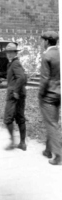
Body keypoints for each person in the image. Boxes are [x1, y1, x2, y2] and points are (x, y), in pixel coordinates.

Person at [39, 31, 61, 165]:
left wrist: (40, 94)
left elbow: (44, 79)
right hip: (59, 94)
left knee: (51, 124)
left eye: (43, 41)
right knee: (52, 121)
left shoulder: (46, 56)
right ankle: (48, 150)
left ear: (47, 41)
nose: (42, 43)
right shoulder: (60, 54)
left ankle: (58, 155)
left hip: (48, 96)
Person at [3, 42, 27, 151]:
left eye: (11, 52)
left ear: (15, 53)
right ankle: (22, 143)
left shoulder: (15, 63)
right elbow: (22, 78)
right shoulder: (12, 63)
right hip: (18, 94)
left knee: (8, 118)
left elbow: (21, 78)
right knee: (19, 117)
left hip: (14, 95)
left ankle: (13, 142)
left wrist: (16, 91)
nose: (9, 54)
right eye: (8, 52)